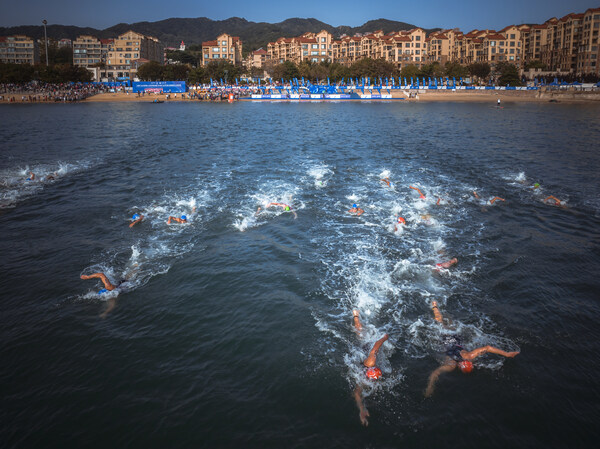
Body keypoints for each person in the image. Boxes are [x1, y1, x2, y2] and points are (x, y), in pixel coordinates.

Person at [425, 300, 519, 397]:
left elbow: (488, 348)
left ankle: (436, 306)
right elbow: (435, 374)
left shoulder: (469, 356)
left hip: (455, 337)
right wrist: (430, 388)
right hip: (445, 340)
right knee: (440, 322)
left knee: (446, 322)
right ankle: (436, 307)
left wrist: (507, 354)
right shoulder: (451, 365)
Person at [352, 310, 390, 426]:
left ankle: (357, 316)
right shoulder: (371, 362)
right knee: (361, 333)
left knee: (361, 333)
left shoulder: (366, 376)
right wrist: (384, 338)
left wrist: (361, 409)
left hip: (361, 357)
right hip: (367, 346)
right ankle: (356, 315)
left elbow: (357, 394)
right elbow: (374, 348)